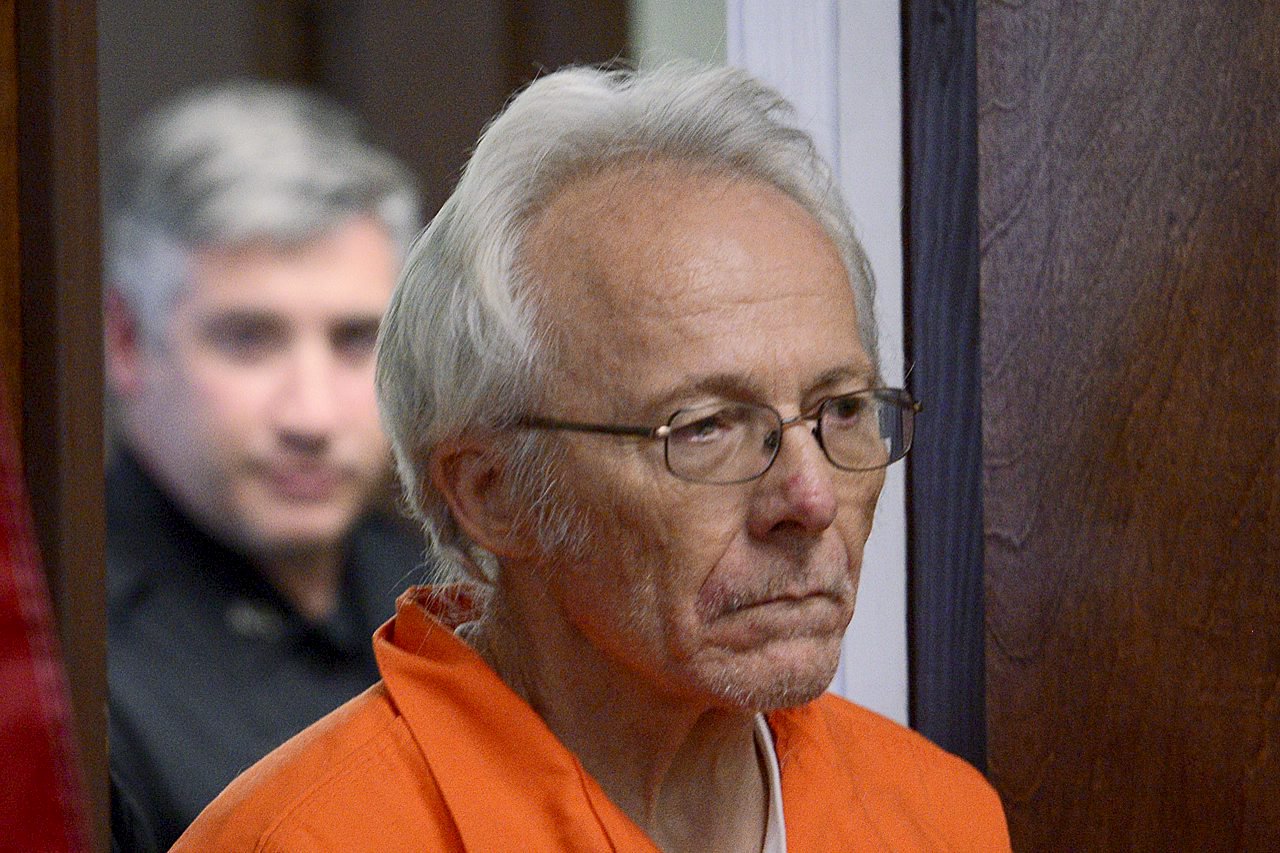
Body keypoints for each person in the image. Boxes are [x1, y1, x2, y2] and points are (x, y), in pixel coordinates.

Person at [174, 65, 1011, 851]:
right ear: (492, 492)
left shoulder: (935, 814)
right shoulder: (305, 836)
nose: (810, 495)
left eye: (843, 410)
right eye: (706, 427)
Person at [103, 80, 428, 849]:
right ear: (125, 343)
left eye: (355, 340)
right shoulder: (64, 666)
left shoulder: (463, 603)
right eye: (249, 339)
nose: (309, 415)